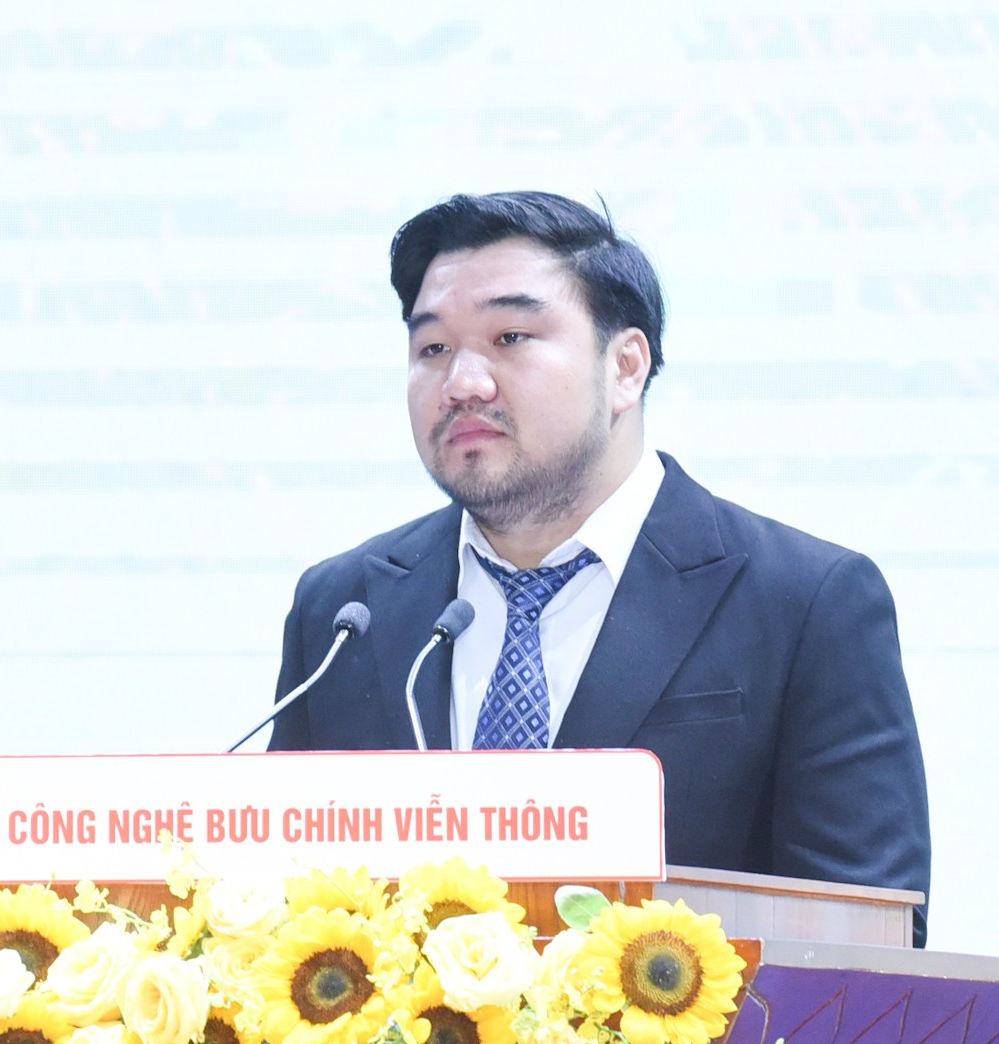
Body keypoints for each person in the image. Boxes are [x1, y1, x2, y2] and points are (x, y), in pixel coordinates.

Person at [267, 191, 932, 944]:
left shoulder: (805, 603)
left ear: (625, 367)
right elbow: (284, 920)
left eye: (510, 336)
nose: (462, 383)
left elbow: (864, 938)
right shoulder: (345, 610)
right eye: (433, 349)